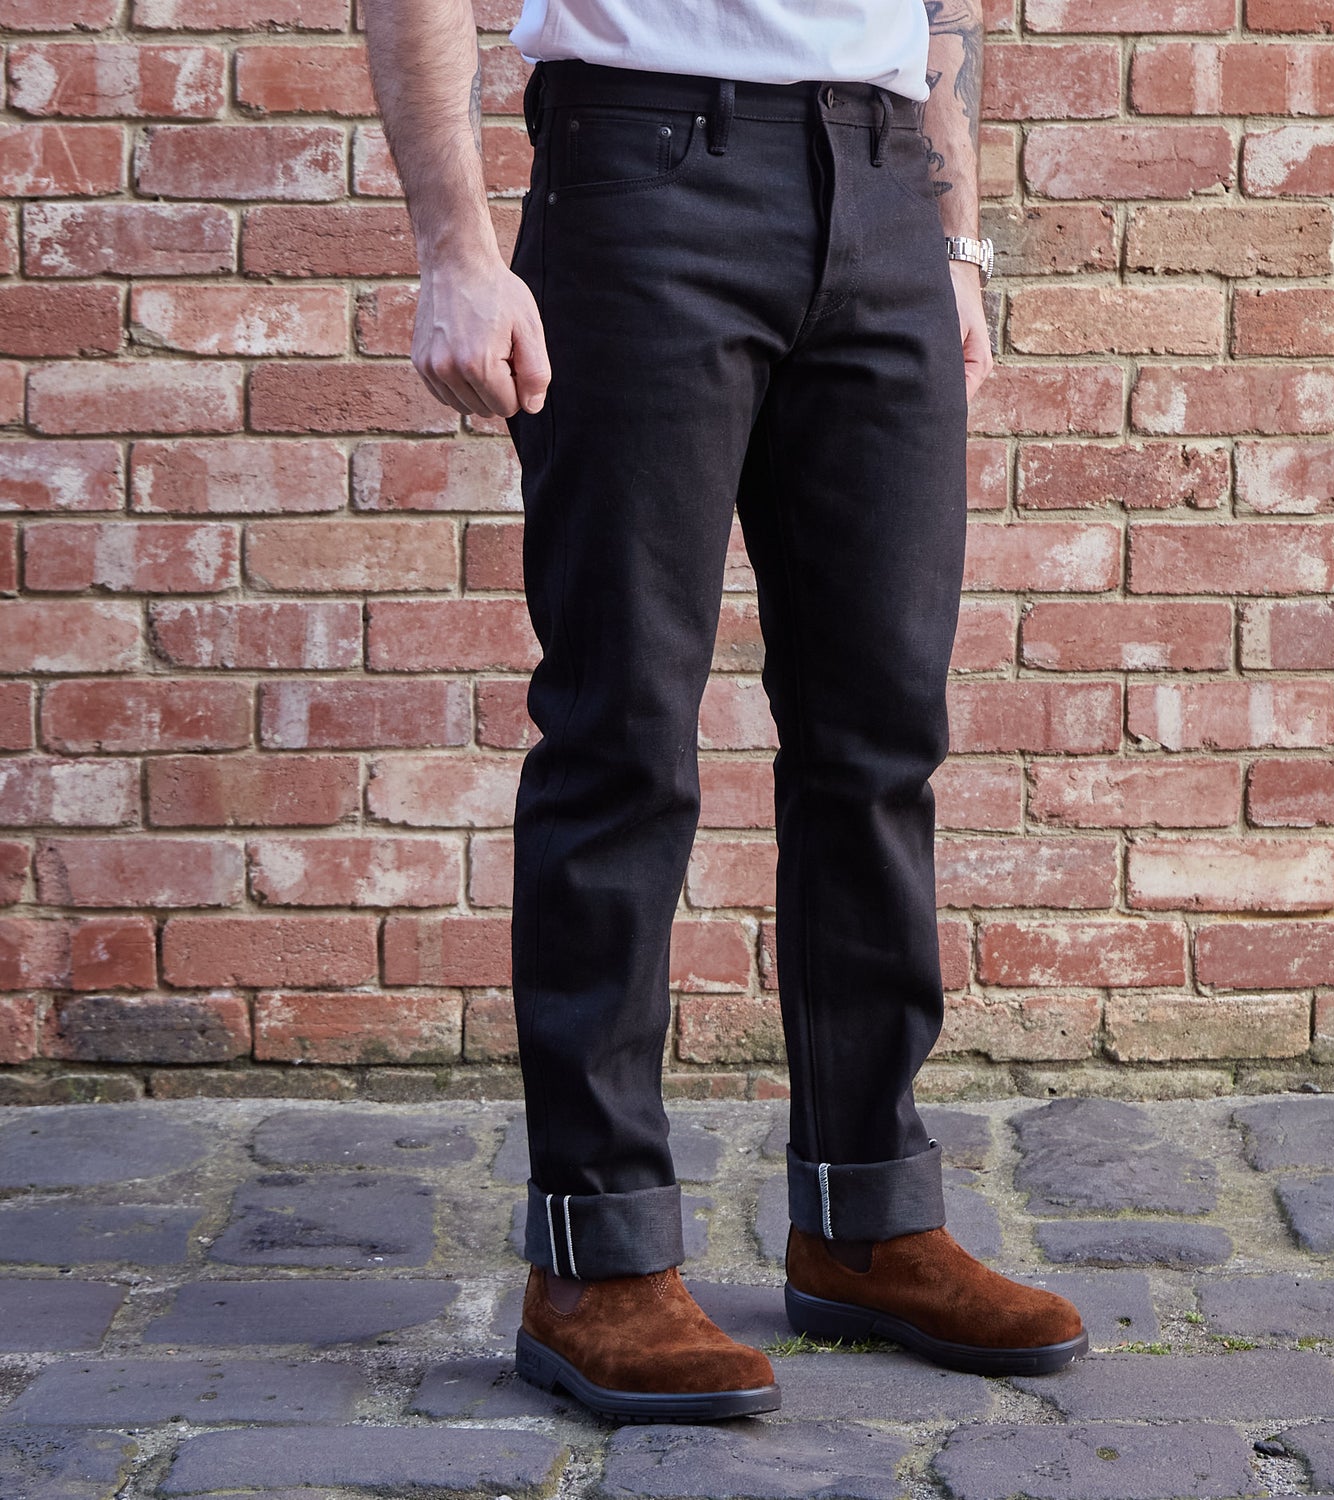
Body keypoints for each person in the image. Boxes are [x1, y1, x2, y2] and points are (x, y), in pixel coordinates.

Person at [365, 0, 1088, 1422]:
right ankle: (596, 1262)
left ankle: (868, 1221)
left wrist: (953, 234)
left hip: (883, 188)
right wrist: (455, 248)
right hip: (644, 180)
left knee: (880, 739)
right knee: (622, 734)